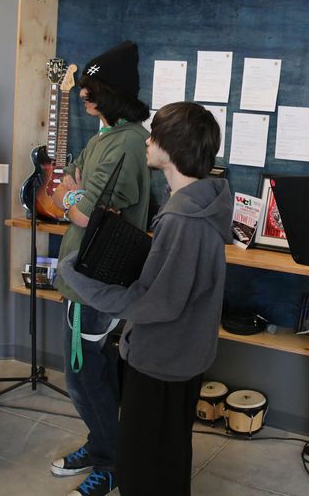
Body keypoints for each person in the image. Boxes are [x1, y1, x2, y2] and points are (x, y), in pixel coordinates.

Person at [58, 101, 233, 495]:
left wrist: (74, 276)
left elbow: (156, 303)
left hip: (160, 362)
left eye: (155, 136)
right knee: (169, 458)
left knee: (140, 470)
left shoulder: (180, 219)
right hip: (185, 358)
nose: (147, 141)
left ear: (171, 148)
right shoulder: (203, 205)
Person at [50, 41, 151, 496]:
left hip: (100, 282)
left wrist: (73, 196)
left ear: (112, 93)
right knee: (91, 370)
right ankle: (101, 443)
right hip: (83, 277)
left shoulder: (127, 143)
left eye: (91, 90)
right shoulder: (103, 139)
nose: (84, 97)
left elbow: (83, 211)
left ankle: (111, 461)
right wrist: (72, 196)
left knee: (83, 373)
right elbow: (61, 191)